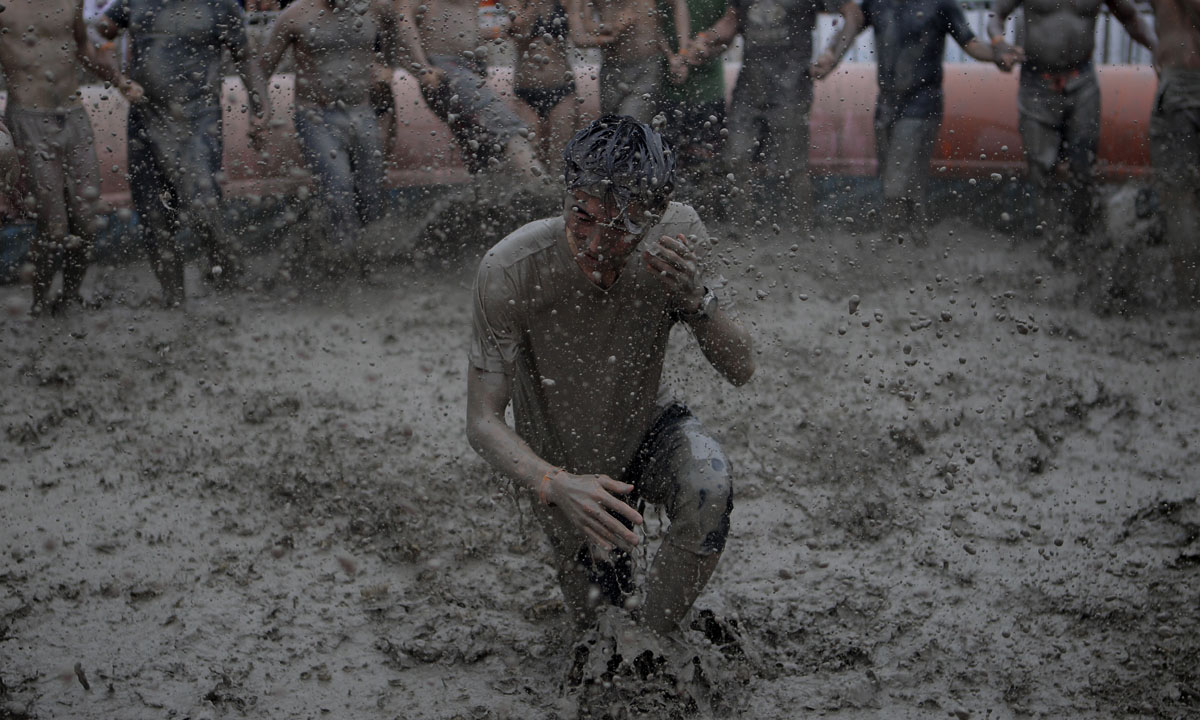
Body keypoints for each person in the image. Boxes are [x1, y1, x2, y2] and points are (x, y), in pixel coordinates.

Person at [466, 116, 754, 642]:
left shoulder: (675, 239)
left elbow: (742, 368)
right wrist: (552, 482)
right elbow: (483, 421)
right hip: (561, 456)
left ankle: (659, 641)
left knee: (710, 486)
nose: (597, 243)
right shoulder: (510, 269)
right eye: (584, 217)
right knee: (599, 624)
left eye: (622, 226)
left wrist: (697, 300)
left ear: (654, 217)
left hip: (648, 423)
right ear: (566, 197)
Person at [96, 0, 270, 307]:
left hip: (199, 119)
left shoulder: (220, 5)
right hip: (145, 118)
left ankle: (227, 274)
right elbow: (97, 34)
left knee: (203, 205)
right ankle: (173, 300)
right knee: (153, 216)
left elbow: (245, 57)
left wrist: (261, 110)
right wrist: (119, 79)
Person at [813, 0, 1020, 244]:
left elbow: (972, 45)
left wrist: (998, 55)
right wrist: (831, 57)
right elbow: (850, 27)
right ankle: (918, 238)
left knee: (897, 178)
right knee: (902, 176)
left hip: (922, 102)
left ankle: (889, 240)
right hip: (887, 102)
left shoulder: (941, 5)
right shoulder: (877, 4)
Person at [0, 0, 142, 315]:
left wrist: (120, 80)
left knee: (87, 222)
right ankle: (39, 305)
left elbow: (82, 47)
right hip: (29, 117)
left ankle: (68, 299)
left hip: (74, 116)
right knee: (53, 228)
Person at [988, 0, 1155, 259]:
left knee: (1084, 166)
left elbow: (1131, 16)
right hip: (1037, 83)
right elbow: (996, 13)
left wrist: (1156, 47)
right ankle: (1053, 241)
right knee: (1042, 167)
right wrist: (999, 42)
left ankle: (1083, 238)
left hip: (1082, 80)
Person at [261, 0, 402, 274]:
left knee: (372, 192)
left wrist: (388, 71)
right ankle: (344, 264)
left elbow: (396, 44)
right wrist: (260, 114)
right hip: (315, 114)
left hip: (362, 111)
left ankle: (369, 261)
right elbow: (262, 66)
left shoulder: (376, 10)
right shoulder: (295, 15)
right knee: (338, 187)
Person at [396, 0, 544, 177]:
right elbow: (403, 17)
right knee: (508, 128)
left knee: (482, 147)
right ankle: (544, 190)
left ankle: (490, 199)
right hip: (444, 67)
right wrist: (422, 67)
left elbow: (517, 23)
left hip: (469, 68)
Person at [726, 0, 831, 227]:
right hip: (750, 87)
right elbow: (730, 22)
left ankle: (803, 231)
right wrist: (700, 44)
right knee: (736, 159)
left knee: (793, 166)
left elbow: (852, 13)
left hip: (791, 88)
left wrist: (831, 54)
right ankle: (740, 231)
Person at [657, 0, 740, 212]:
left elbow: (728, 37)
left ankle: (706, 215)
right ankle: (668, 213)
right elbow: (650, 26)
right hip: (668, 88)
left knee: (707, 161)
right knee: (667, 160)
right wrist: (671, 57)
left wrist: (705, 52)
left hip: (709, 89)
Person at [1147, 0, 1200, 306]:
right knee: (1179, 190)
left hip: (1182, 83)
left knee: (1178, 191)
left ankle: (1188, 289)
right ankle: (1187, 285)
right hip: (1179, 83)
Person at [507, 0, 586, 166]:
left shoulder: (566, 2)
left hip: (562, 88)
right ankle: (536, 192)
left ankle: (559, 191)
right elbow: (520, 29)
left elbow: (580, 37)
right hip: (526, 90)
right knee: (532, 156)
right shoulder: (516, 3)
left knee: (561, 154)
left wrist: (608, 35)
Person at [581, 0, 678, 122]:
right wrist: (612, 26)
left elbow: (655, 25)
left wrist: (672, 55)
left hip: (647, 67)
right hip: (613, 67)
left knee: (632, 122)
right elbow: (584, 26)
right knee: (611, 124)